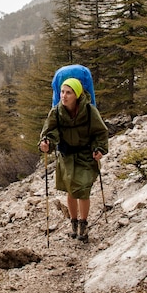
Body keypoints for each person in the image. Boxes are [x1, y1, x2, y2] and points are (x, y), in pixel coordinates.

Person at [38, 77, 108, 242]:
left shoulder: (90, 111)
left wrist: (100, 149)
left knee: (82, 189)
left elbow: (100, 132)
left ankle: (83, 225)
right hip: (67, 155)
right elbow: (50, 131)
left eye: (68, 92)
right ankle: (74, 223)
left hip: (86, 155)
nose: (64, 96)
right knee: (71, 190)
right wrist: (46, 142)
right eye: (62, 92)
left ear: (77, 94)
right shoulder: (56, 112)